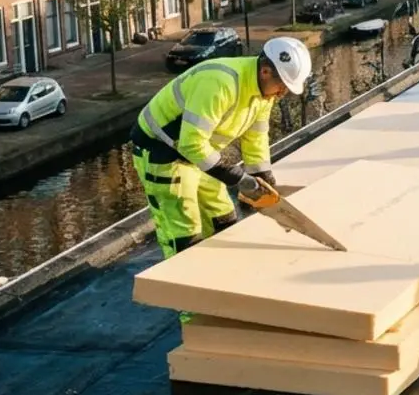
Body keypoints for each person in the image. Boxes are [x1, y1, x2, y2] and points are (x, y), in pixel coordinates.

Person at [130, 36, 313, 258]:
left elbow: (256, 138)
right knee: (184, 232)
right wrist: (239, 179)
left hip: (201, 154)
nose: (282, 93)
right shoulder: (220, 83)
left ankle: (220, 269)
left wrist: (263, 177)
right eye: (282, 86)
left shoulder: (264, 93)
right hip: (164, 154)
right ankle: (183, 283)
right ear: (265, 71)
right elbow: (191, 142)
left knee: (224, 218)